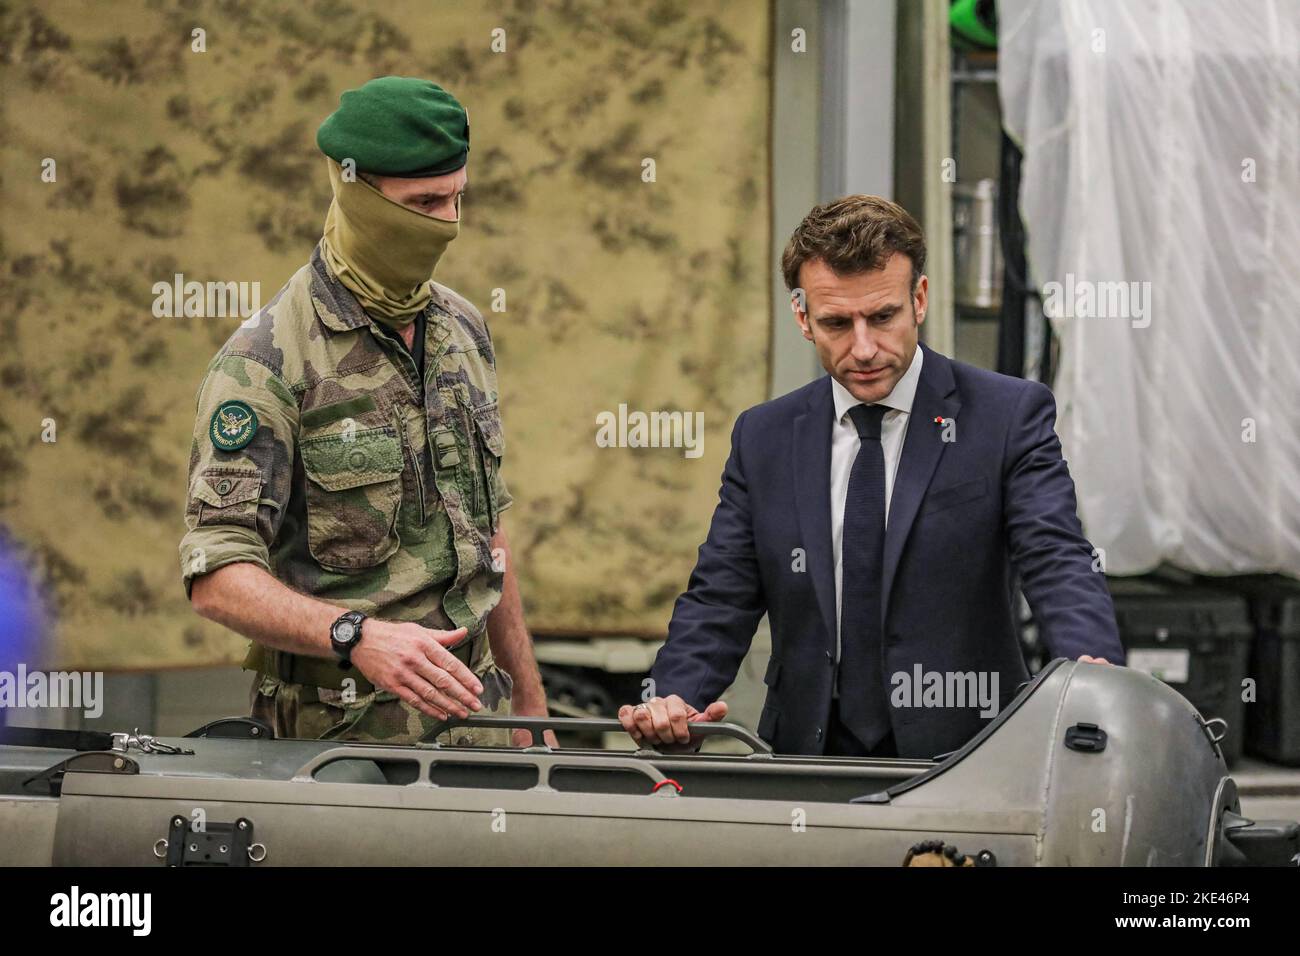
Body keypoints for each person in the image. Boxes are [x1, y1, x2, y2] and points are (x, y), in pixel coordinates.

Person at [620, 195, 1122, 759]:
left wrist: (1094, 680)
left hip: (971, 755)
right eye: (837, 322)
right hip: (805, 760)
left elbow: (1056, 558)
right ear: (803, 318)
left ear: (920, 300)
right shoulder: (764, 437)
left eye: (883, 317)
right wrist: (672, 699)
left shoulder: (1006, 416)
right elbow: (720, 596)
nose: (863, 349)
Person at [180, 76, 553, 747]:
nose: (448, 223)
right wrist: (357, 636)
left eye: (457, 198)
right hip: (342, 745)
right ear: (357, 192)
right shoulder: (267, 361)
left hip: (481, 733)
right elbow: (216, 575)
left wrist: (530, 706)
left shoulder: (461, 331)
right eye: (424, 203)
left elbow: (489, 536)